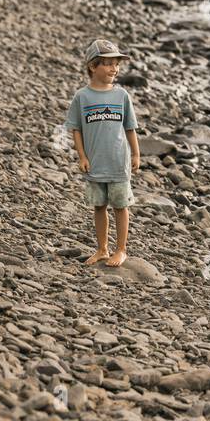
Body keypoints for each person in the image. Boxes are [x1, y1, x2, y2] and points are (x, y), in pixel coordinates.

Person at [65, 39, 140, 267]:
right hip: (95, 162)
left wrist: (136, 155)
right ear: (92, 66)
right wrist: (82, 156)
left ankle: (121, 249)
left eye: (116, 64)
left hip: (118, 162)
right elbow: (76, 129)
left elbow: (130, 128)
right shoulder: (82, 97)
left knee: (120, 206)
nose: (114, 69)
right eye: (108, 64)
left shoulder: (122, 96)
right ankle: (102, 248)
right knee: (99, 206)